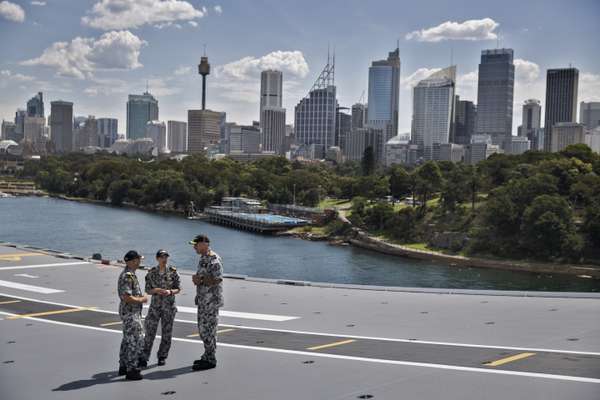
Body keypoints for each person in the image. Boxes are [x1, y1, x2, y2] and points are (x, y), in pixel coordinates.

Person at [189, 234, 223, 371]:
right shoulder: (203, 258)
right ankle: (207, 355)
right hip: (203, 300)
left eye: (196, 244)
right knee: (202, 330)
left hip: (211, 302)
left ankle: (211, 359)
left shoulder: (214, 259)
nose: (194, 247)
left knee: (209, 330)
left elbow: (218, 279)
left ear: (204, 244)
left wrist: (200, 280)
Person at [142, 249, 181, 366]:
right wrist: (156, 290)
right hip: (155, 307)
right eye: (162, 257)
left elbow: (178, 288)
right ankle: (144, 357)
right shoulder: (152, 272)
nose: (164, 259)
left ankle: (162, 356)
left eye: (166, 257)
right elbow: (147, 290)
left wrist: (170, 291)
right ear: (157, 258)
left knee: (167, 333)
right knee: (149, 333)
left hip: (169, 307)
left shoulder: (173, 272)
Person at [117, 250, 147, 380]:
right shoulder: (127, 276)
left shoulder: (131, 275)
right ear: (132, 261)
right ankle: (132, 369)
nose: (140, 261)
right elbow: (126, 297)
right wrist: (142, 299)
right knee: (135, 340)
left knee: (127, 339)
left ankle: (123, 366)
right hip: (131, 312)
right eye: (138, 259)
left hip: (131, 312)